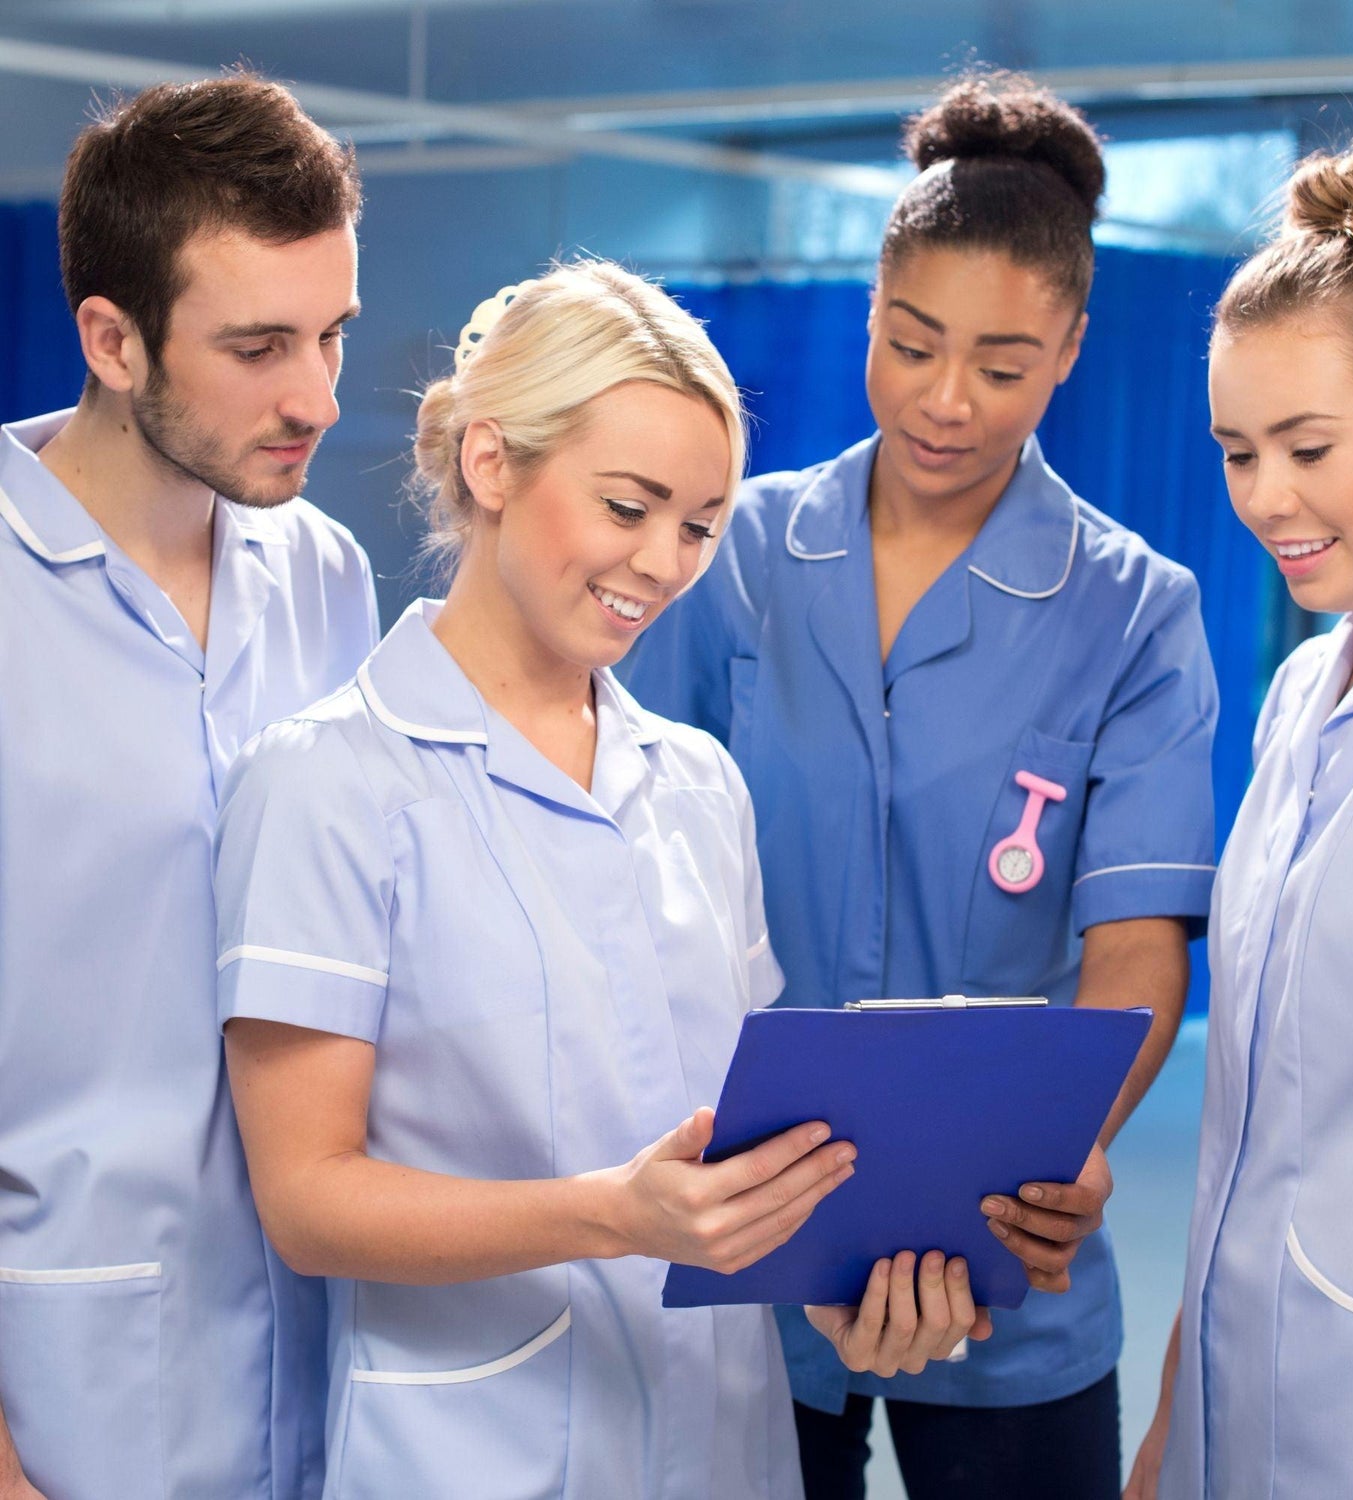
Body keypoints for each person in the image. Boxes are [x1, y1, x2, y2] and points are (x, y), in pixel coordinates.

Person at [211, 260, 989, 1500]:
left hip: (726, 1445)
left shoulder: (697, 785)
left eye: (697, 524)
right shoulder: (326, 784)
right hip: (470, 1455)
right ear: (491, 465)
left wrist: (849, 1291)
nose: (663, 563)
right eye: (627, 506)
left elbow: (742, 1144)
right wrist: (615, 1217)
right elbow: (307, 1199)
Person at [622, 72, 1218, 1500]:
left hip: (1010, 1247)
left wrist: (1030, 1178)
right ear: (873, 315)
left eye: (1004, 365)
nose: (947, 402)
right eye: (910, 345)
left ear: (1072, 347)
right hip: (749, 1234)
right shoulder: (735, 560)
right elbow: (630, 879)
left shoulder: (1133, 610)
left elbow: (1133, 954)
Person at [0, 77, 375, 1500]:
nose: (318, 398)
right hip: (69, 1396)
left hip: (317, 1378)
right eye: (261, 346)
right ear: (113, 340)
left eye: (331, 333)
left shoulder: (324, 574)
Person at [1126, 147, 1353, 1500]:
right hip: (1237, 1429)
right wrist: (1172, 1436)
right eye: (1236, 451)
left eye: (1308, 449)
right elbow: (1242, 1143)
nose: (1265, 497)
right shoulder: (1297, 691)